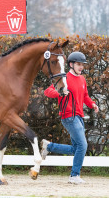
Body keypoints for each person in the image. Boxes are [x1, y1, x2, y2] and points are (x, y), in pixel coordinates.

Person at [42, 51, 99, 184]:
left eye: (82, 65)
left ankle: (49, 146)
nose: (81, 67)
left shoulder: (82, 79)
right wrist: (60, 93)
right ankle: (74, 176)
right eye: (79, 64)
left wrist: (92, 104)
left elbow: (85, 96)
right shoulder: (64, 78)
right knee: (83, 145)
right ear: (71, 64)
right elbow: (48, 91)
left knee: (77, 148)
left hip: (79, 117)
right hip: (68, 116)